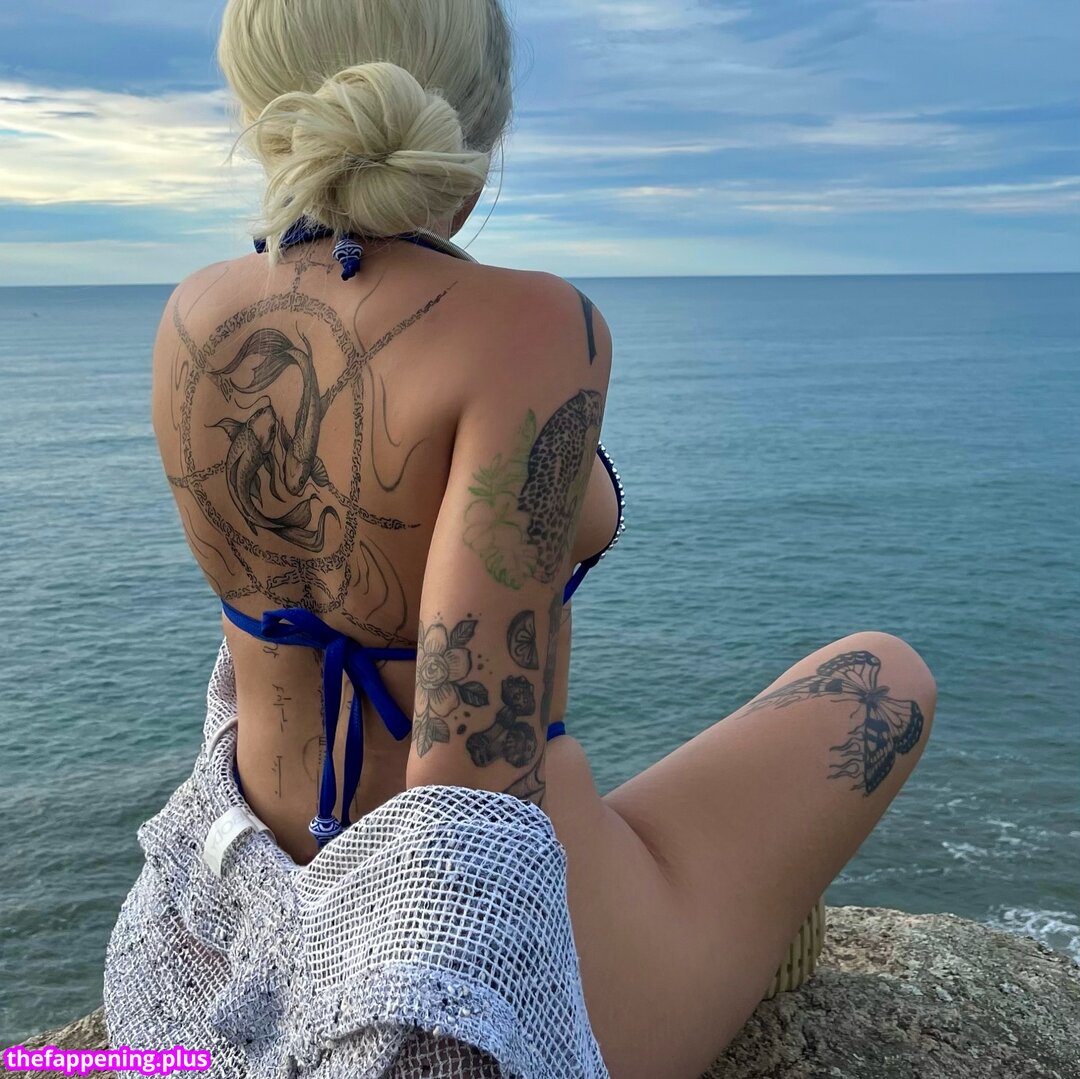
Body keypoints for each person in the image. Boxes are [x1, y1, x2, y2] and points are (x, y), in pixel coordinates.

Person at [103, 1, 937, 1077]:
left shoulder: (195, 314)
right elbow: (466, 781)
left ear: (261, 115)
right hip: (460, 945)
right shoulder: (533, 324)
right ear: (478, 125)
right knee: (887, 674)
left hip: (250, 885)